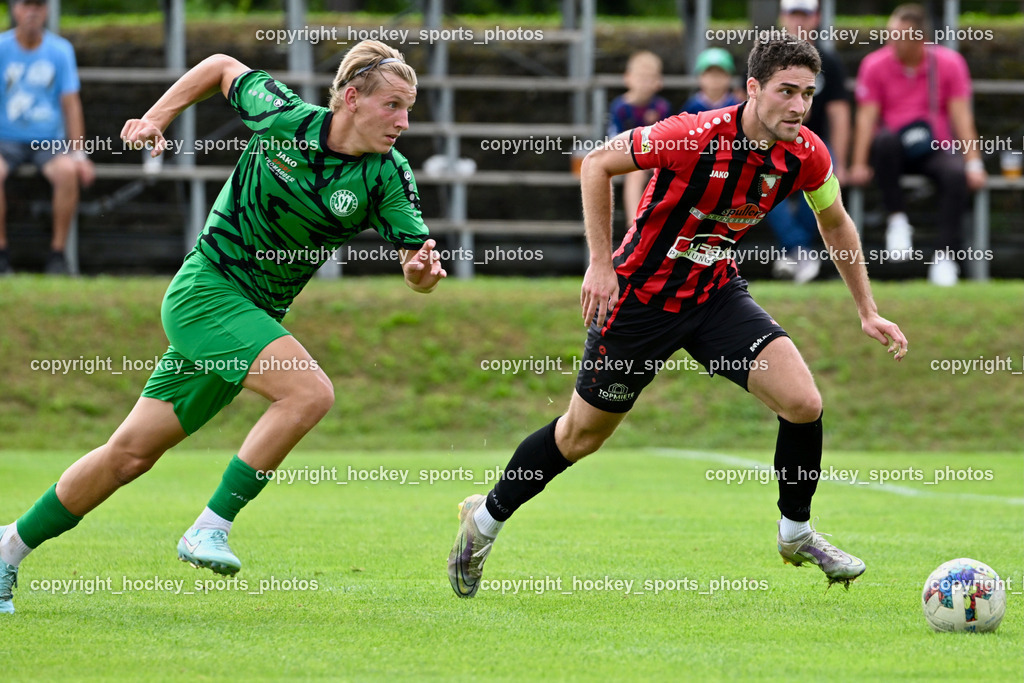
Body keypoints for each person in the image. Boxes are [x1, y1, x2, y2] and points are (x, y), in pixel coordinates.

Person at [449, 35, 908, 598]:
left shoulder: (808, 152)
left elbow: (834, 222)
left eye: (808, 94)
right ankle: (485, 521)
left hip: (714, 295)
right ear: (753, 89)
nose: (798, 106)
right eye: (787, 92)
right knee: (580, 436)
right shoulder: (692, 133)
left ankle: (796, 534)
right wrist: (600, 263)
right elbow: (597, 163)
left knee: (804, 402)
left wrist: (867, 309)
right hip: (640, 300)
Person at [0, 40, 446, 614]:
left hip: (248, 320)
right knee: (308, 392)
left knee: (128, 456)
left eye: (410, 109)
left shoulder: (388, 176)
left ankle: (8, 548)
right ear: (353, 99)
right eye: (394, 106)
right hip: (204, 294)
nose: (404, 122)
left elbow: (418, 265)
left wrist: (420, 275)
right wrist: (157, 117)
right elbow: (218, 68)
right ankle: (210, 526)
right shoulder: (282, 115)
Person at [849, 3, 986, 286]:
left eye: (898, 36)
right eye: (889, 34)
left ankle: (945, 257)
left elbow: (962, 118)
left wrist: (974, 163)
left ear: (919, 38)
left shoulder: (949, 64)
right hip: (893, 149)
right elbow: (866, 119)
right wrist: (859, 164)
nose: (891, 42)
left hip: (933, 146)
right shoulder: (874, 64)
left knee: (955, 174)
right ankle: (897, 220)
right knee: (884, 141)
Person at [0, 0, 94, 275]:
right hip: (5, 140)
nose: (32, 11)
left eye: (39, 5)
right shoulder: (1, 48)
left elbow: (71, 105)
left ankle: (57, 256)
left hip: (48, 142)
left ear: (47, 11)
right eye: (26, 5)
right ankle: (2, 255)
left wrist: (79, 154)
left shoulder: (60, 50)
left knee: (67, 173)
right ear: (15, 10)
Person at [767, 0, 850, 284]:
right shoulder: (765, 61)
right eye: (793, 14)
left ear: (816, 17)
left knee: (827, 172)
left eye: (804, 14)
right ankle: (798, 249)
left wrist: (842, 160)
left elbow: (839, 115)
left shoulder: (830, 63)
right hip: (773, 142)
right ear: (783, 17)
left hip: (813, 145)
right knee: (761, 178)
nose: (798, 21)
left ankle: (793, 251)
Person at [607, 50, 672, 230]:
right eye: (640, 77)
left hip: (653, 157)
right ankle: (634, 223)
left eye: (650, 78)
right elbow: (615, 140)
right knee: (635, 173)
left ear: (658, 82)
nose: (644, 83)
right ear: (628, 78)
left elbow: (666, 139)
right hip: (626, 155)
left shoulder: (662, 107)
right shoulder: (620, 107)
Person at [678, 47, 741, 115]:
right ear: (700, 77)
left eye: (720, 74)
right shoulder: (691, 107)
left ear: (729, 77)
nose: (715, 79)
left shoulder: (736, 106)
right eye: (710, 74)